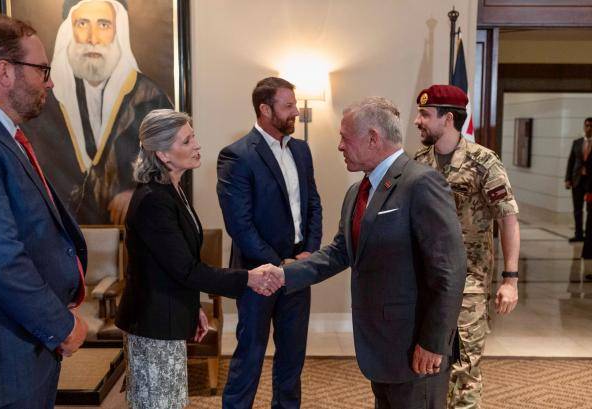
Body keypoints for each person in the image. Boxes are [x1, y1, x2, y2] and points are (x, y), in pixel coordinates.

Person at [266, 96, 466, 409]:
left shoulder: (421, 183)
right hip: (381, 346)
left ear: (373, 138)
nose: (340, 146)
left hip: (415, 346)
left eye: (345, 138)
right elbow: (340, 252)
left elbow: (449, 271)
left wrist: (434, 342)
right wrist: (282, 274)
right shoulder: (357, 192)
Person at [115, 109, 281, 409]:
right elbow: (186, 270)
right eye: (187, 141)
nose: (197, 145)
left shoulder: (171, 190)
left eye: (193, 137)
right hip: (154, 327)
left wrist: (193, 308)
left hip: (166, 320)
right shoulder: (153, 200)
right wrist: (248, 278)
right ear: (163, 154)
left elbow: (174, 265)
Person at [0, 15, 88, 408]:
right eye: (41, 70)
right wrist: (60, 326)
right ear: (4, 72)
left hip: (26, 341)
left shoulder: (10, 137)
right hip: (8, 350)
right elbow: (0, 257)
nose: (48, 82)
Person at [217, 77, 323, 409]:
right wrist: (278, 266)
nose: (296, 112)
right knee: (249, 357)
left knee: (292, 359)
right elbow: (240, 225)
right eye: (288, 106)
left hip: (298, 269)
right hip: (257, 274)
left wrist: (308, 253)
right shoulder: (236, 156)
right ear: (265, 109)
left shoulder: (301, 150)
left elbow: (313, 204)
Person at [413, 84, 520, 409]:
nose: (418, 121)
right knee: (425, 368)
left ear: (448, 119)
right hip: (424, 284)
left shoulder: (483, 162)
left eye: (425, 114)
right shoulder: (418, 162)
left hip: (468, 284)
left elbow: (508, 219)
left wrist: (510, 280)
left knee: (464, 371)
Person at [21, 0, 172, 225]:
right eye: (82, 24)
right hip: (58, 234)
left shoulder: (150, 97)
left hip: (133, 234)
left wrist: (140, 195)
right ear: (69, 30)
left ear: (118, 31)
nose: (92, 38)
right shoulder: (43, 100)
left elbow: (174, 161)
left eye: (103, 25)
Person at [565, 117, 592, 242]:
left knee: (590, 209)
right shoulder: (577, 142)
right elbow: (571, 161)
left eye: (591, 126)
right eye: (587, 125)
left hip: (590, 182)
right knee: (577, 209)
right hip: (577, 180)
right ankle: (578, 234)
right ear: (584, 127)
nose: (589, 128)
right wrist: (568, 179)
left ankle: (589, 235)